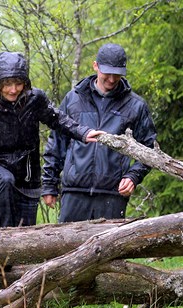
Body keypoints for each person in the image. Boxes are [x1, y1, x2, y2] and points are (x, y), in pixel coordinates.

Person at [0, 51, 101, 228]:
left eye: (18, 84)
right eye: (7, 84)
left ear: (25, 83)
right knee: (4, 180)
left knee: (25, 233)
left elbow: (57, 119)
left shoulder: (35, 100)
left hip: (27, 176)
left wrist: (82, 132)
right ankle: (1, 242)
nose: (13, 90)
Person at [42, 43, 157, 222]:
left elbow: (149, 149)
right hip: (74, 193)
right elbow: (57, 143)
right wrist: (49, 184)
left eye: (117, 74)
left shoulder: (135, 106)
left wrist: (133, 176)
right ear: (95, 66)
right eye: (107, 73)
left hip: (113, 195)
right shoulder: (73, 99)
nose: (112, 79)